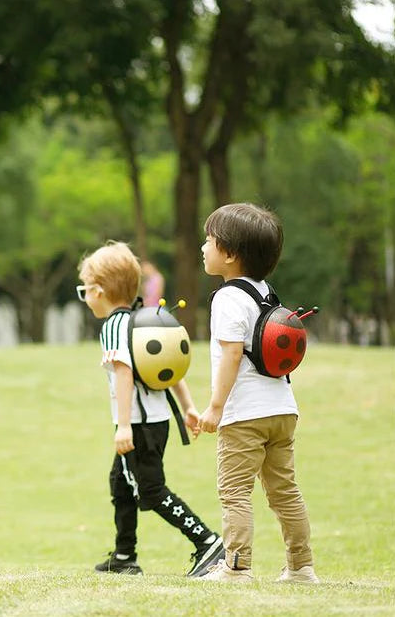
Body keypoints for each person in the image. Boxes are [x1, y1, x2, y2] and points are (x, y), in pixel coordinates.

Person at [77, 242, 225, 577]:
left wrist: (124, 425)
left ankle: (207, 542)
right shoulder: (142, 320)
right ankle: (124, 555)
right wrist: (187, 407)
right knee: (121, 483)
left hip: (140, 426)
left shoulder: (114, 327)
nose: (85, 297)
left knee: (152, 490)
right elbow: (170, 364)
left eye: (84, 290)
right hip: (156, 423)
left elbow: (125, 373)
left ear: (99, 291)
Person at [197, 203, 318, 583]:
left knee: (234, 491)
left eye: (209, 240)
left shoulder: (227, 297)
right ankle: (301, 568)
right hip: (282, 409)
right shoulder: (268, 293)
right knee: (285, 491)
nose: (203, 247)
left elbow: (232, 354)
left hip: (245, 413)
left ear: (230, 255)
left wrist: (215, 407)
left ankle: (236, 567)